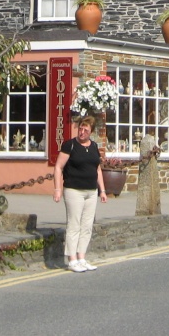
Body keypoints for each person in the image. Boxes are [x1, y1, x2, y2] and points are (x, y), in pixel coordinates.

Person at [53, 115, 107, 272]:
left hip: (91, 191)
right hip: (73, 190)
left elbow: (97, 169)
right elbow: (58, 167)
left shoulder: (94, 146)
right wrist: (58, 189)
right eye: (80, 129)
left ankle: (82, 257)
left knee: (87, 225)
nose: (82, 132)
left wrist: (102, 190)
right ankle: (72, 260)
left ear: (91, 132)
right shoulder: (69, 145)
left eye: (86, 130)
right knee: (74, 224)